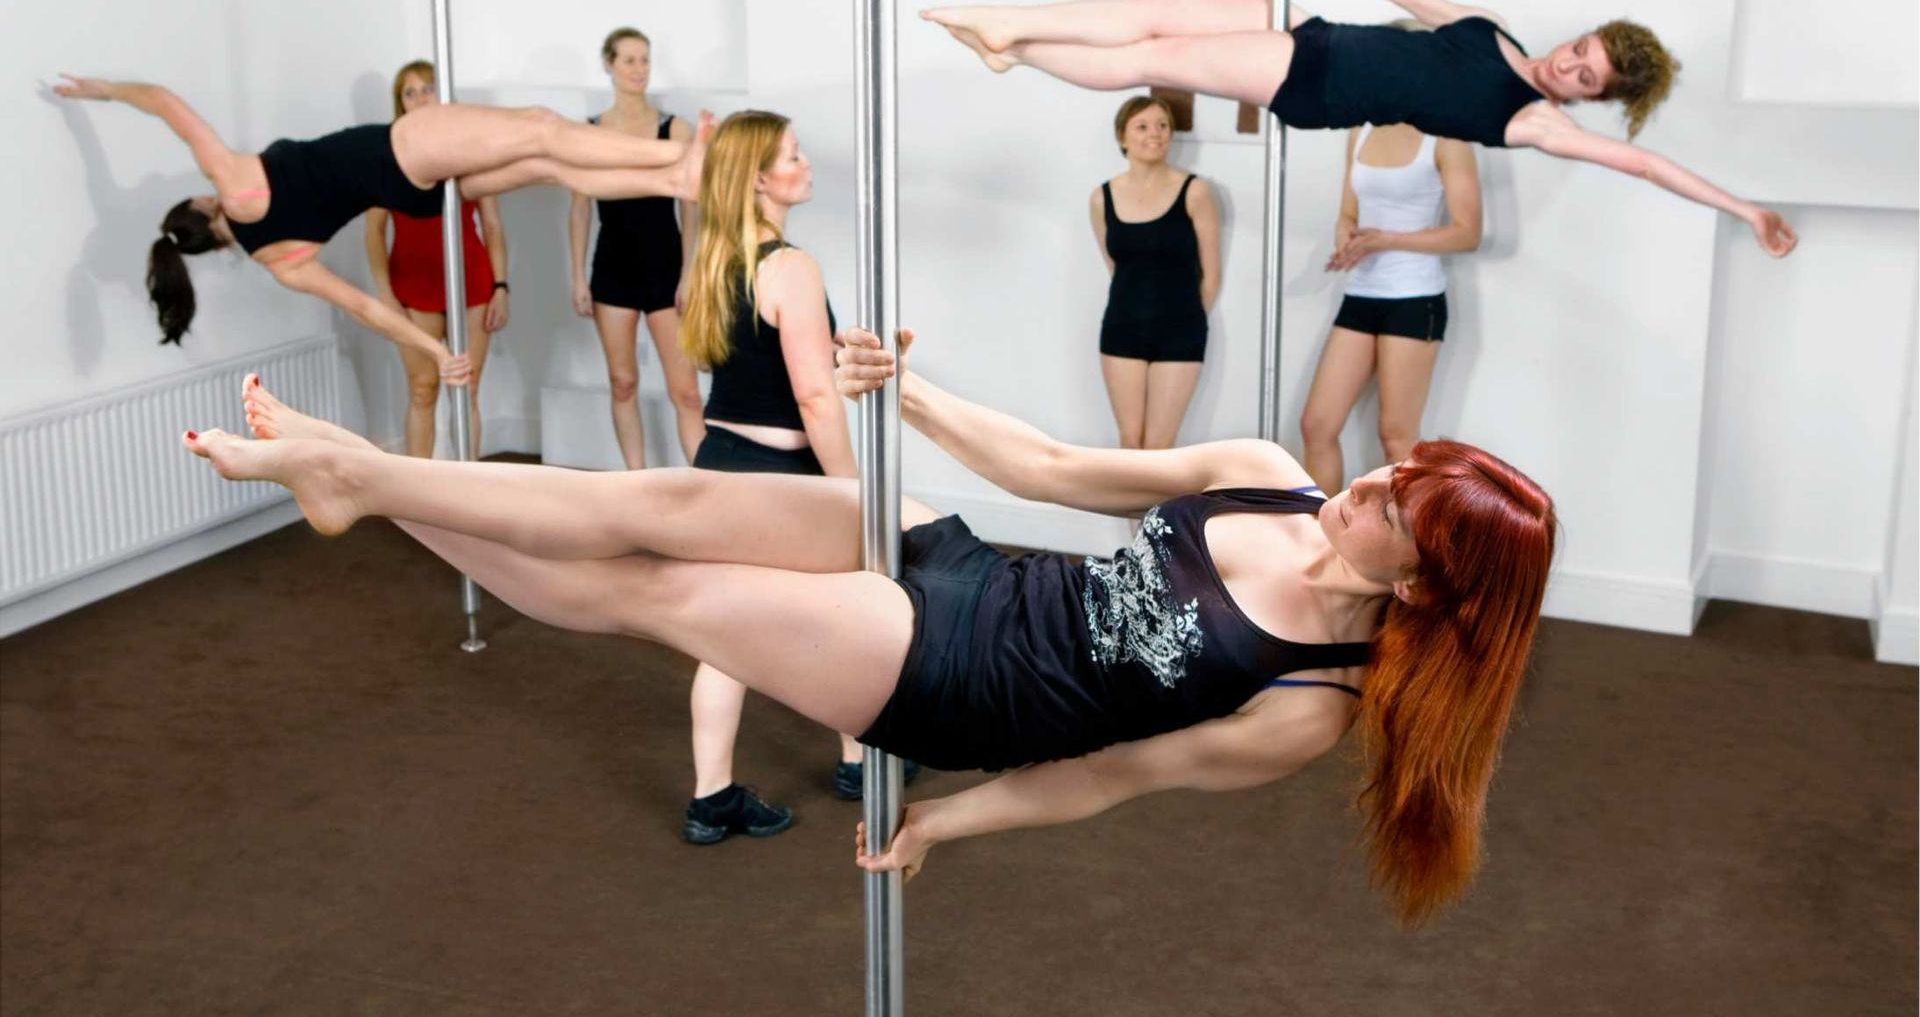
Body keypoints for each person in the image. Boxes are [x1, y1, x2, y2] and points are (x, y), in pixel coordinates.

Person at [198, 321, 1555, 925]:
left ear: (1425, 584)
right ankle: (358, 479)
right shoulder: (1265, 467)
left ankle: (357, 482)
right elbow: (1052, 472)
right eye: (1396, 465)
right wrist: (914, 390)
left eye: (1400, 507)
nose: (1369, 481)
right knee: (669, 496)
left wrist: (945, 823)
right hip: (977, 567)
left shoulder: (1308, 701)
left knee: (656, 591)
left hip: (961, 681)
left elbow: (1117, 773)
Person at [922, 0, 1796, 258]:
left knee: (1165, 51)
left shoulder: (1533, 123)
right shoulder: (1494, 28)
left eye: (1587, 76)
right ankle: (1017, 45)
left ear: (1595, 97)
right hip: (1319, 32)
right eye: (1581, 48)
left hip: (1316, 84)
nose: (1569, 65)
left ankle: (1010, 34)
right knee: (1165, 9)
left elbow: (1643, 164)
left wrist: (1746, 209)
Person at [52, 74, 711, 379]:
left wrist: (431, 354)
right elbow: (168, 102)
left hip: (412, 196)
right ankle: (674, 159)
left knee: (546, 166)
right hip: (402, 149)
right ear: (205, 213)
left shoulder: (273, 259)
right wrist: (102, 93)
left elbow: (366, 308)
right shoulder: (234, 185)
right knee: (540, 127)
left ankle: (671, 181)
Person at [671, 108, 897, 840]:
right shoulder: (790, 267)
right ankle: (859, 764)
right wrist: (853, 490)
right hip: (784, 472)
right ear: (760, 178)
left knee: (724, 637)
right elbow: (813, 396)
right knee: (843, 616)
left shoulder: (708, 264)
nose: (807, 165)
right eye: (794, 155)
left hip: (719, 463)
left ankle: (712, 800)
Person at [1301, 49, 1482, 492]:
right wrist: (1347, 236)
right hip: (1362, 295)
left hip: (1414, 298)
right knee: (1316, 425)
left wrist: (1387, 240)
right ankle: (1317, 545)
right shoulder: (1359, 131)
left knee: (1396, 438)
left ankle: (1400, 557)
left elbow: (1467, 233)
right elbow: (1347, 211)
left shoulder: (1446, 136)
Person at [568, 28, 705, 470]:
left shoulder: (675, 128)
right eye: (628, 60)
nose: (638, 69)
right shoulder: (589, 131)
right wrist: (577, 277)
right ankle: (636, 483)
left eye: (644, 60)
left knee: (684, 390)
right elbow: (579, 208)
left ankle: (708, 489)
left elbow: (691, 208)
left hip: (666, 267)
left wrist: (690, 272)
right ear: (608, 64)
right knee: (622, 382)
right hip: (613, 267)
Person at [363, 61, 510, 458]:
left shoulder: (472, 154)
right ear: (401, 104)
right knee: (423, 388)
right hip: (413, 284)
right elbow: (374, 231)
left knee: (467, 388)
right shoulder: (387, 158)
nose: (420, 98)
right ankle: (419, 497)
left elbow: (493, 226)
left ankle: (467, 488)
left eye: (427, 88)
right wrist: (384, 292)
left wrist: (501, 286)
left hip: (472, 283)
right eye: (409, 92)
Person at [1088, 96, 1221, 450]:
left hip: (1180, 331)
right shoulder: (1102, 198)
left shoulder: (1195, 192)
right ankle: (1120, 509)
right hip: (1122, 327)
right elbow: (1115, 265)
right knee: (1130, 442)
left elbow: (1211, 276)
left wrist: (1183, 318)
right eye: (1143, 126)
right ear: (1122, 137)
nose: (1156, 134)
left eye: (1163, 126)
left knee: (1160, 446)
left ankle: (1156, 510)